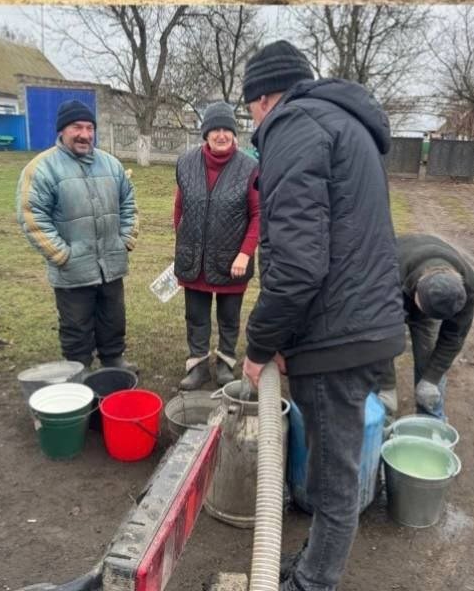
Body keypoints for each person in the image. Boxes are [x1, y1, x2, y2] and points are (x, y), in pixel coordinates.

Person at [239, 41, 405, 591]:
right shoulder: (345, 124)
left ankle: (314, 583)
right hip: (360, 325)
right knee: (333, 467)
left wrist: (260, 344)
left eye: (250, 111)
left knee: (333, 481)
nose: (253, 124)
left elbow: (298, 263)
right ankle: (312, 563)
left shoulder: (294, 127)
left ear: (263, 98)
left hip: (339, 335)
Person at [16, 100, 137, 369]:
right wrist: (62, 254)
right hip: (72, 268)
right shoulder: (41, 169)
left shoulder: (112, 165)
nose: (85, 134)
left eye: (89, 127)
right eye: (76, 127)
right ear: (62, 131)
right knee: (76, 325)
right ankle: (78, 370)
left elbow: (128, 203)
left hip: (111, 264)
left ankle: (113, 358)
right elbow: (32, 216)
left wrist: (125, 239)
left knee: (113, 318)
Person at [173, 101, 260, 391]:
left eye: (227, 129)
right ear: (205, 134)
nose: (221, 135)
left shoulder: (250, 168)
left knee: (228, 317)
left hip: (232, 260)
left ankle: (225, 363)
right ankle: (197, 366)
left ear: (235, 134)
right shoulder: (185, 163)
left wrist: (245, 253)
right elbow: (180, 208)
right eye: (215, 129)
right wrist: (185, 244)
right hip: (194, 259)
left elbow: (259, 214)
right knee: (196, 316)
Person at [378, 233, 474, 421]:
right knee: (380, 362)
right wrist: (386, 384)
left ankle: (430, 419)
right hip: (393, 283)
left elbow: (453, 337)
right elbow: (379, 334)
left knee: (428, 357)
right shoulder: (386, 276)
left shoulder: (469, 285)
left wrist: (431, 380)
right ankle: (382, 417)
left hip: (419, 282)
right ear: (416, 291)